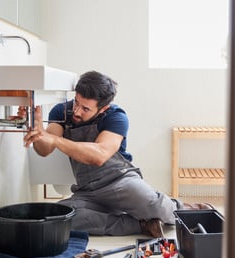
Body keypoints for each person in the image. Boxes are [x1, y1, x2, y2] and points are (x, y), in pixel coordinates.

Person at [23, 71, 213, 238]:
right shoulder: (62, 111)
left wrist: (56, 140)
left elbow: (99, 155)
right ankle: (141, 224)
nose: (77, 111)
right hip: (87, 191)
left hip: (120, 182)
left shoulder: (116, 116)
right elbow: (44, 151)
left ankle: (183, 209)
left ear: (103, 108)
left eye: (86, 108)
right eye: (76, 102)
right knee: (62, 219)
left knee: (155, 206)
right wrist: (39, 130)